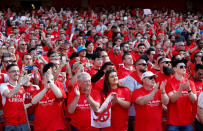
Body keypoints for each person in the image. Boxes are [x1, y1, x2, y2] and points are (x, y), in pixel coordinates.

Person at [32, 62, 67, 131]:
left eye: (50, 78)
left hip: (56, 126)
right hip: (41, 127)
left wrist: (51, 82)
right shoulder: (38, 91)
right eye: (46, 78)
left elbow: (60, 96)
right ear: (42, 81)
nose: (48, 80)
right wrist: (46, 89)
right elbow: (33, 101)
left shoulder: (57, 87)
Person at [165, 59, 197, 131]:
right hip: (173, 122)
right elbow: (172, 100)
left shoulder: (190, 82)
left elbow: (194, 99)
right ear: (174, 69)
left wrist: (189, 89)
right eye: (181, 67)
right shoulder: (169, 82)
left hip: (188, 121)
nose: (184, 68)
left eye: (185, 67)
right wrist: (181, 89)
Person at [0, 64, 30, 131]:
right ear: (7, 73)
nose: (16, 73)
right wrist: (20, 83)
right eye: (13, 71)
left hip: (23, 123)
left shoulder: (21, 88)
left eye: (17, 71)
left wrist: (27, 122)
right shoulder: (3, 86)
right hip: (10, 124)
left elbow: (23, 106)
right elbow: (10, 95)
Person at [120, 58, 147, 130]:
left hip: (144, 112)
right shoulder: (130, 79)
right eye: (143, 64)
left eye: (146, 64)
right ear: (136, 66)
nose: (145, 66)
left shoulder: (146, 77)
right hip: (133, 114)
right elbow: (129, 96)